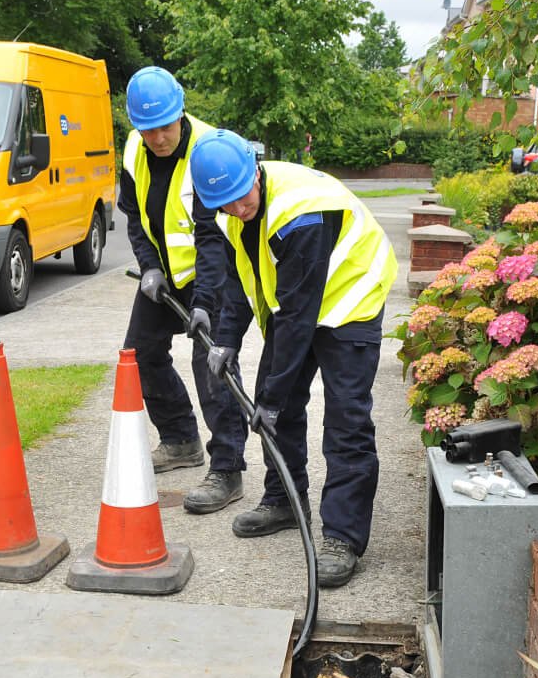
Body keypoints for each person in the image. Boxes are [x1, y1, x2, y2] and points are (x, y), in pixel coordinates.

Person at [190, 129, 397, 587]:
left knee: (345, 420)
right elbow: (239, 282)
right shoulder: (228, 213)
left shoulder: (298, 213)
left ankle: (342, 536)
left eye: (244, 198)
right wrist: (227, 340)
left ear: (255, 170)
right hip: (298, 305)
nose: (239, 210)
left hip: (350, 297)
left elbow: (300, 316)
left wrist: (273, 397)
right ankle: (284, 498)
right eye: (226, 204)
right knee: (275, 405)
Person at [118, 67, 248, 513]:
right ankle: (180, 439)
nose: (157, 138)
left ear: (181, 111)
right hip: (165, 274)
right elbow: (134, 215)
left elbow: (212, 238)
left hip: (214, 274)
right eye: (148, 129)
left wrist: (206, 303)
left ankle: (227, 470)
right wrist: (149, 267)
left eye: (166, 126)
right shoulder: (134, 148)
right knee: (140, 355)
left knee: (211, 363)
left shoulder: (205, 150)